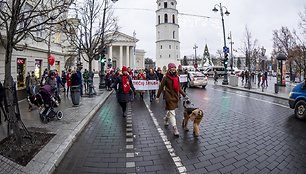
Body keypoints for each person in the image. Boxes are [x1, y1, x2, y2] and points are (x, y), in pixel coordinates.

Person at [156, 63, 187, 136]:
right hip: (168, 97)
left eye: (174, 67)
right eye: (172, 68)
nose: (173, 69)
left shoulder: (177, 77)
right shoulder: (165, 77)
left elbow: (179, 88)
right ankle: (175, 128)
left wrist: (185, 95)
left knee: (170, 111)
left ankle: (166, 119)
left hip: (175, 96)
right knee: (172, 112)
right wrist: (157, 97)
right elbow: (161, 87)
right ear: (169, 69)